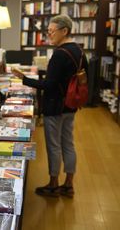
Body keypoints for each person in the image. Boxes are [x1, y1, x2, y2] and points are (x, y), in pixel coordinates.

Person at [12, 14, 88, 198]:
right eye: (48, 31)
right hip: (70, 105)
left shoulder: (59, 54)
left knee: (54, 146)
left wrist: (24, 79)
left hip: (54, 107)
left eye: (52, 31)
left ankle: (53, 184)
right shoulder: (80, 51)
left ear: (65, 31)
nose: (49, 35)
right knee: (68, 144)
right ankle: (68, 184)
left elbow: (49, 85)